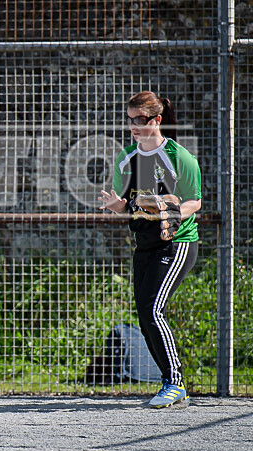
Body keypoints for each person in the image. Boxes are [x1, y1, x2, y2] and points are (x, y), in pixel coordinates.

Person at [99, 91, 202, 408]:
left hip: (177, 243)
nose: (133, 126)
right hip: (144, 245)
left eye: (140, 120)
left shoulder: (179, 156)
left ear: (156, 120)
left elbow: (194, 201)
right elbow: (128, 206)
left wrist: (175, 213)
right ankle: (169, 382)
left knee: (153, 310)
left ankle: (175, 383)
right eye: (129, 120)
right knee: (145, 315)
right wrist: (117, 206)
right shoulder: (127, 158)